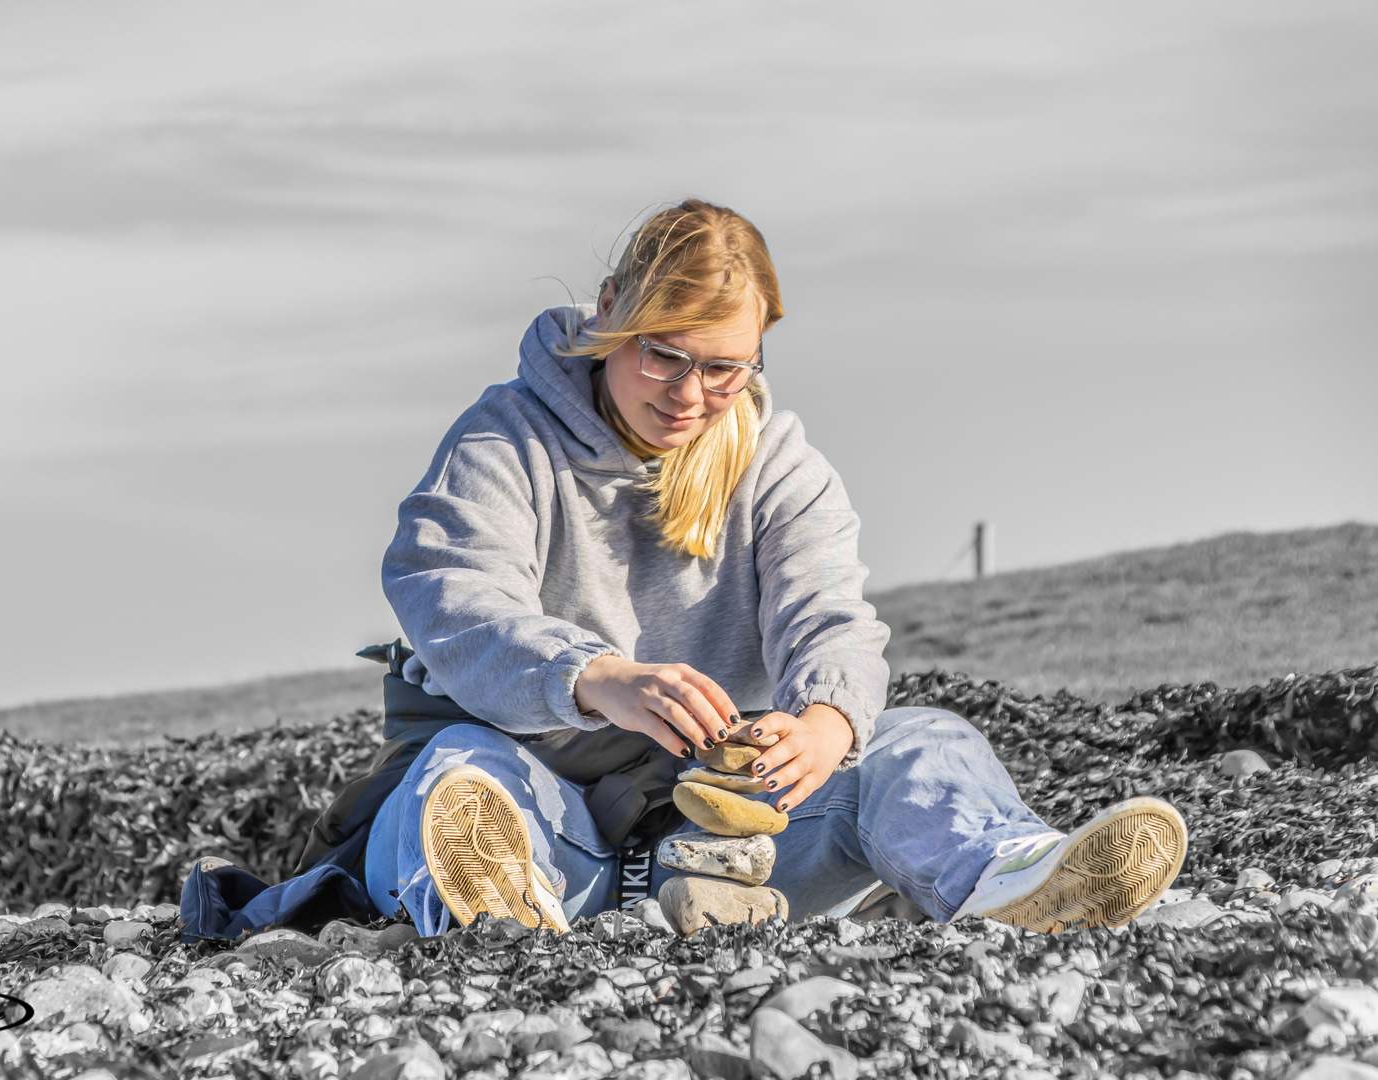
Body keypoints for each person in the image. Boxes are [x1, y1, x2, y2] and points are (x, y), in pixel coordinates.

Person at [176, 199, 1187, 945]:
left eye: (723, 367)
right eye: (664, 355)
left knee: (922, 743)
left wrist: (825, 722)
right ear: (612, 312)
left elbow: (832, 624)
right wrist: (596, 677)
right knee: (456, 782)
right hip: (547, 816)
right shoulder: (507, 438)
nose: (692, 393)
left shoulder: (780, 466)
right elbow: (451, 595)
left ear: (758, 356)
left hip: (730, 848)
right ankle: (497, 917)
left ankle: (1011, 883)